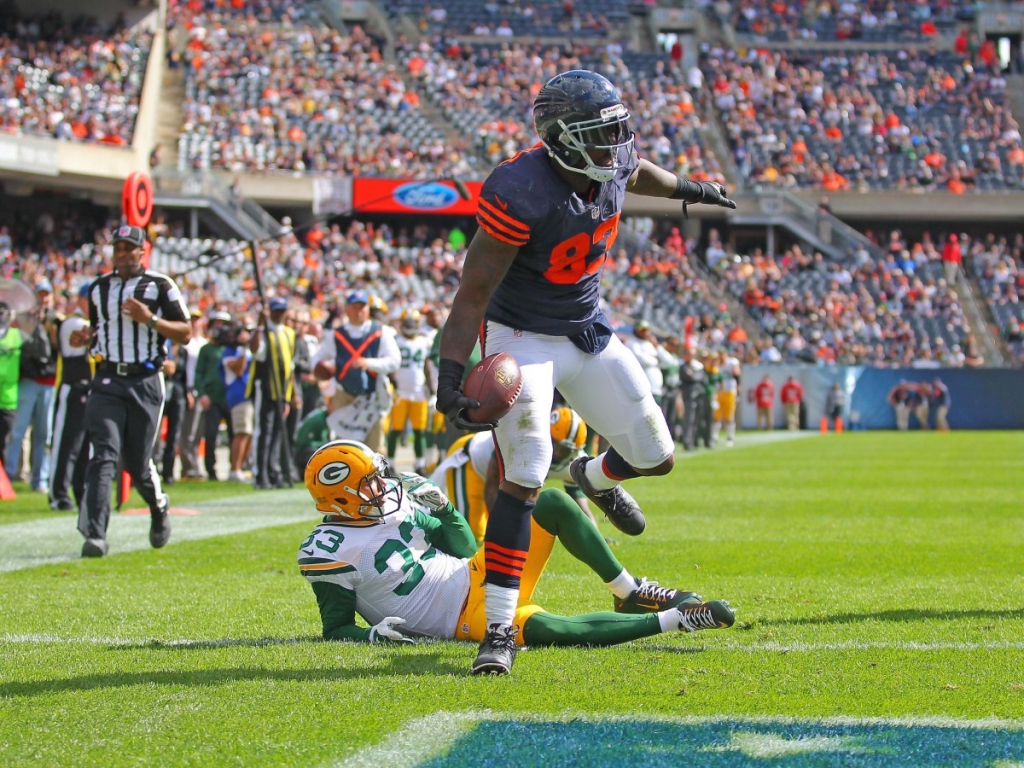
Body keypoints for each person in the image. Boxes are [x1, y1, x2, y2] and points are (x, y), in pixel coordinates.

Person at [435, 69, 736, 674]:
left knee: (656, 454)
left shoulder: (612, 159)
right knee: (523, 473)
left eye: (617, 133)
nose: (617, 147)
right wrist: (449, 374)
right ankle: (499, 628)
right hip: (523, 339)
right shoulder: (519, 189)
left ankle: (592, 477)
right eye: (602, 137)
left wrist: (690, 189)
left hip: (587, 328)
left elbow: (639, 169)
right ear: (563, 140)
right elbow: (472, 295)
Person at [298, 440, 735, 650]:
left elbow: (464, 546)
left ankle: (628, 591)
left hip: (475, 573)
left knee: (550, 502)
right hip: (463, 616)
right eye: (371, 483)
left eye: (380, 476)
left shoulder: (394, 507)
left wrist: (447, 511)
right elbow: (334, 628)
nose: (384, 486)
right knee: (546, 630)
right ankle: (678, 620)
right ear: (341, 497)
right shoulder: (329, 548)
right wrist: (369, 635)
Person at [73, 225, 191, 558]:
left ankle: (158, 506)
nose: (122, 253)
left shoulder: (161, 285)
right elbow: (102, 330)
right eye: (118, 248)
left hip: (146, 381)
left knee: (137, 463)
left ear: (143, 251)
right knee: (104, 453)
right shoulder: (98, 288)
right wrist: (86, 338)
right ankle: (95, 534)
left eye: (129, 248)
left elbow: (185, 331)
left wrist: (150, 319)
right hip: (108, 379)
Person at [430, 406, 597, 543]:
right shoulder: (521, 442)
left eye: (568, 450)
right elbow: (492, 485)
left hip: (497, 476)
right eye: (560, 448)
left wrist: (596, 536)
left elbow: (580, 504)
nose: (562, 455)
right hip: (471, 459)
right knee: (474, 535)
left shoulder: (573, 461)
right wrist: (499, 529)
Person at [312, 290, 400, 453]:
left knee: (373, 449)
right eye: (355, 307)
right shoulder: (336, 335)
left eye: (362, 307)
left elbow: (394, 361)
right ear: (347, 309)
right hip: (344, 395)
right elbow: (317, 358)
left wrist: (369, 363)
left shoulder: (381, 332)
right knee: (344, 448)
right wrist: (322, 371)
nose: (359, 311)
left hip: (372, 395)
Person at [6, 278, 58, 491]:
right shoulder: (24, 318)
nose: (43, 298)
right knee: (18, 432)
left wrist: (48, 323)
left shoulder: (56, 320)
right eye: (40, 294)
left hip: (49, 383)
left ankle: (41, 479)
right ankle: (9, 475)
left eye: (46, 294)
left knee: (43, 435)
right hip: (28, 381)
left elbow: (56, 346)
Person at [48, 283, 93, 510]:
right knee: (66, 445)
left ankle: (80, 493)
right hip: (73, 389)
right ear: (82, 300)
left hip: (90, 391)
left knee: (85, 448)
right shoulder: (73, 323)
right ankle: (58, 494)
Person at [248, 296, 297, 489]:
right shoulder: (265, 332)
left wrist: (292, 394)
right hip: (266, 388)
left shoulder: (289, 333)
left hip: (283, 391)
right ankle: (260, 473)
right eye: (275, 311)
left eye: (281, 310)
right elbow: (255, 351)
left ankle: (274, 470)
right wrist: (260, 325)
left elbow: (290, 365)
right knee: (264, 432)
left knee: (278, 433)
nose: (278, 314)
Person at [388, 309, 432, 473]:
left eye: (412, 323)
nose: (410, 326)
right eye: (407, 323)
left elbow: (427, 366)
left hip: (418, 391)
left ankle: (420, 464)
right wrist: (393, 384)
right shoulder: (395, 340)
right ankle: (391, 463)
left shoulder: (423, 341)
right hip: (399, 392)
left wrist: (431, 388)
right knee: (396, 429)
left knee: (419, 430)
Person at [194, 311, 233, 480]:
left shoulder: (231, 349)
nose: (219, 327)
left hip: (230, 397)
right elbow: (198, 373)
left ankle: (234, 468)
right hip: (212, 398)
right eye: (216, 323)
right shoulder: (206, 349)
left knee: (234, 434)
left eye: (223, 324)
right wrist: (202, 394)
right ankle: (211, 470)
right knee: (210, 435)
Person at [0, 302, 23, 474]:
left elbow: (38, 350)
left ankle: (4, 478)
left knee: (4, 441)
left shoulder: (17, 334)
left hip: (8, 398)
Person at [715, 351, 741, 447]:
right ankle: (714, 437)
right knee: (716, 416)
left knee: (729, 416)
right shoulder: (716, 363)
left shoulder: (731, 362)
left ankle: (730, 437)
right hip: (718, 392)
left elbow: (737, 373)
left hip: (730, 391)